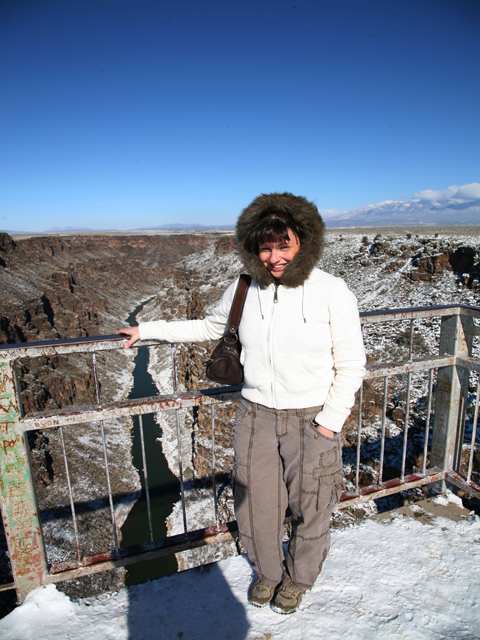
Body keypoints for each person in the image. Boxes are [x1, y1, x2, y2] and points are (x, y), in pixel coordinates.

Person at [118, 192, 366, 615]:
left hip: (312, 416)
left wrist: (329, 422)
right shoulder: (244, 286)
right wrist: (149, 329)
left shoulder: (331, 291)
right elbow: (209, 325)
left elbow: (352, 363)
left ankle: (298, 579)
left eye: (283, 244)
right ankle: (268, 573)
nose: (274, 256)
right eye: (265, 247)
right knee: (255, 505)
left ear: (304, 241)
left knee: (313, 502)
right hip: (255, 414)